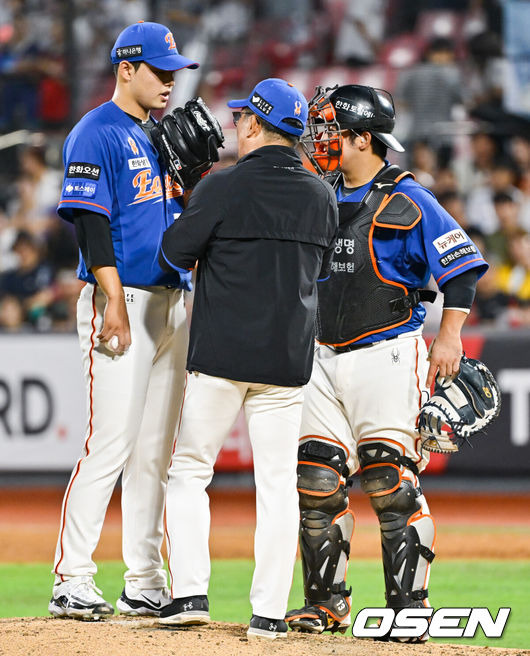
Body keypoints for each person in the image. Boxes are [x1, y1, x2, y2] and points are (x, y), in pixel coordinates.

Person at [285, 84, 488, 640]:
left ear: (361, 138)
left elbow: (462, 267)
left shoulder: (407, 197)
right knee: (316, 481)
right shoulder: (316, 192)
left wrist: (449, 337)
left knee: (389, 481)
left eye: (331, 130)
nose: (320, 139)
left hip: (387, 350)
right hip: (319, 355)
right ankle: (324, 604)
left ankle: (407, 610)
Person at [158, 78, 338, 639]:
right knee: (278, 485)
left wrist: (191, 194)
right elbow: (322, 273)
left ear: (256, 124)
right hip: (286, 360)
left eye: (241, 118)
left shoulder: (223, 185)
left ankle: (189, 593)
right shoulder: (321, 194)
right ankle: (267, 614)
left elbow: (172, 253)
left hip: (221, 355)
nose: (236, 125)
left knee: (189, 470)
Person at [48, 21, 200, 620]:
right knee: (110, 443)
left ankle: (144, 579)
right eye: (160, 71)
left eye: (174, 73)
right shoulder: (96, 132)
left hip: (169, 301)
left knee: (154, 453)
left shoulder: (159, 133)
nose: (170, 82)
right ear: (125, 69)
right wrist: (110, 298)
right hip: (124, 301)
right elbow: (90, 224)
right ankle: (73, 577)